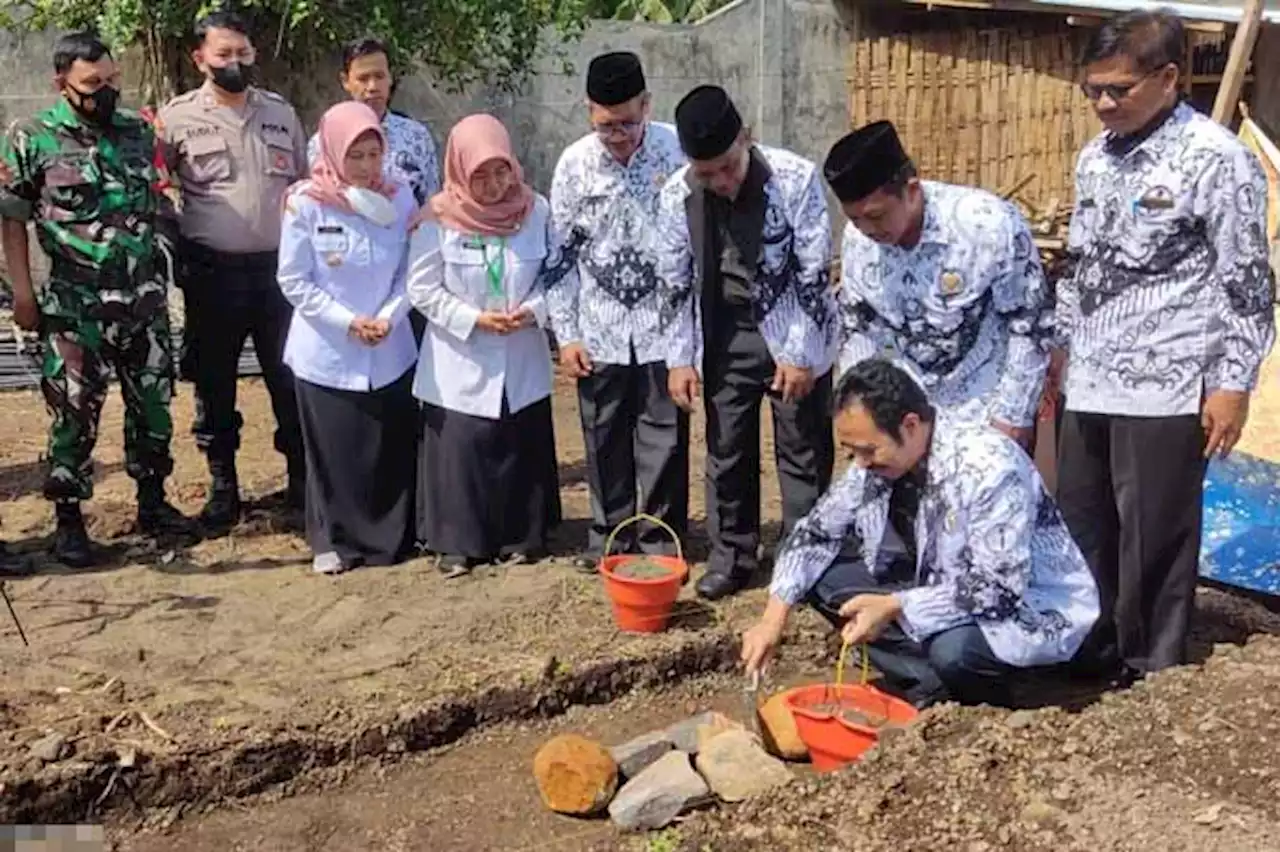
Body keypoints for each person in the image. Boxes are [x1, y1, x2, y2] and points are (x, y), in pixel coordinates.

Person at [1056, 11, 1276, 679]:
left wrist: (1233, 384)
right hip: (1090, 374)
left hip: (1169, 379)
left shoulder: (1217, 160)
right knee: (1084, 522)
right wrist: (1061, 347)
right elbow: (1079, 262)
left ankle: (1152, 665)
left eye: (1118, 90)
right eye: (1092, 88)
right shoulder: (1094, 158)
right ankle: (1087, 650)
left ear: (1169, 78)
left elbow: (1247, 284)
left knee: (1155, 534)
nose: (1102, 103)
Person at [740, 359, 1100, 708]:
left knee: (954, 651)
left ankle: (998, 693)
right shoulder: (875, 464)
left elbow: (999, 589)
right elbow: (813, 534)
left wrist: (896, 605)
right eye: (852, 452)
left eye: (868, 450)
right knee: (821, 575)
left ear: (910, 425)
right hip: (937, 585)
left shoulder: (989, 467)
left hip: (1025, 606)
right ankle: (931, 679)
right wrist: (772, 620)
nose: (861, 464)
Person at [0, 32, 190, 567]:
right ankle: (69, 522)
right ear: (61, 84)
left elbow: (159, 198)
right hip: (73, 306)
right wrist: (22, 293)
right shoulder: (31, 137)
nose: (105, 92)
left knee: (153, 405)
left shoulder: (135, 131)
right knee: (73, 414)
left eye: (111, 80)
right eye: (92, 84)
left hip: (143, 301)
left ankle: (153, 505)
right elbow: (12, 220)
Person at [656, 85, 837, 601]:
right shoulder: (677, 194)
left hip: (790, 329)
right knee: (726, 448)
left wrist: (800, 354)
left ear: (747, 138)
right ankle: (732, 555)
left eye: (727, 168)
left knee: (802, 450)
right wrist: (680, 359)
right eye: (705, 173)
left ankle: (805, 560)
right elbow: (674, 281)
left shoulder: (796, 179)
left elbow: (812, 274)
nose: (719, 182)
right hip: (725, 333)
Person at [159, 10, 309, 531]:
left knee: (289, 379)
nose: (234, 62)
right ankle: (224, 489)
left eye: (242, 53)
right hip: (212, 275)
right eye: (224, 54)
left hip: (277, 275)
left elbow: (306, 189)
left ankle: (302, 482)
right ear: (200, 58)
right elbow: (154, 191)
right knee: (214, 384)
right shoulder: (175, 119)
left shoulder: (281, 114)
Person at [545, 51, 689, 573]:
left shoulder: (677, 154)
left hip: (663, 324)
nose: (619, 135)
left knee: (664, 434)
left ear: (647, 104)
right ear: (589, 112)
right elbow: (558, 258)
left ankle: (660, 537)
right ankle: (609, 534)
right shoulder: (574, 164)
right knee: (603, 434)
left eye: (629, 122)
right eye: (607, 126)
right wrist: (567, 335)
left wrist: (686, 343)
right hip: (599, 326)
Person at [824, 121, 1053, 447]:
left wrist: (1013, 418)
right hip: (907, 422)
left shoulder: (987, 224)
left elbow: (1030, 326)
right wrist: (864, 413)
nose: (866, 230)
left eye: (876, 216)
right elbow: (858, 329)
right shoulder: (858, 241)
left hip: (986, 414)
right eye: (854, 218)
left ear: (912, 190)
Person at [407, 114, 563, 578]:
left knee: (519, 441)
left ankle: (523, 536)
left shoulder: (537, 212)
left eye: (501, 171)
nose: (494, 185)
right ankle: (458, 542)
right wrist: (472, 319)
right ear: (458, 169)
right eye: (480, 174)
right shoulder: (437, 217)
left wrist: (533, 311)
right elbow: (421, 288)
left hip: (521, 347)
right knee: (463, 447)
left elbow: (558, 276)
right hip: (460, 355)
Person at [277, 101, 419, 575]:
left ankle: (390, 539)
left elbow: (411, 272)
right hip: (328, 348)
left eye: (373, 155)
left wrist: (388, 318)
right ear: (335, 151)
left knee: (387, 445)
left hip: (389, 344)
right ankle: (334, 542)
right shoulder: (306, 201)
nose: (365, 166)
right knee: (333, 450)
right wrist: (348, 321)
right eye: (354, 155)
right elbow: (294, 279)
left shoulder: (399, 199)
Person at [308, 38, 440, 207]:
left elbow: (431, 202)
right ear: (345, 82)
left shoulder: (417, 137)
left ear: (390, 78)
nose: (372, 86)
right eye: (363, 79)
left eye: (379, 76)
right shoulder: (323, 143)